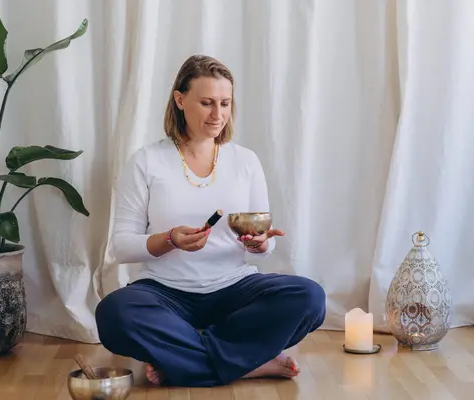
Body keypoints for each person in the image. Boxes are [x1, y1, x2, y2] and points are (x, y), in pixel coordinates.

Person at [95, 54, 326, 388]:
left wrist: (261, 242)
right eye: (206, 103)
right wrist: (170, 239)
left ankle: (185, 361)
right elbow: (122, 246)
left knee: (309, 297)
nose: (218, 115)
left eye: (225, 103)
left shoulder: (245, 161)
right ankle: (246, 363)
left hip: (234, 286)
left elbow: (262, 239)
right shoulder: (146, 161)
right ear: (180, 99)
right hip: (165, 291)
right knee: (114, 314)